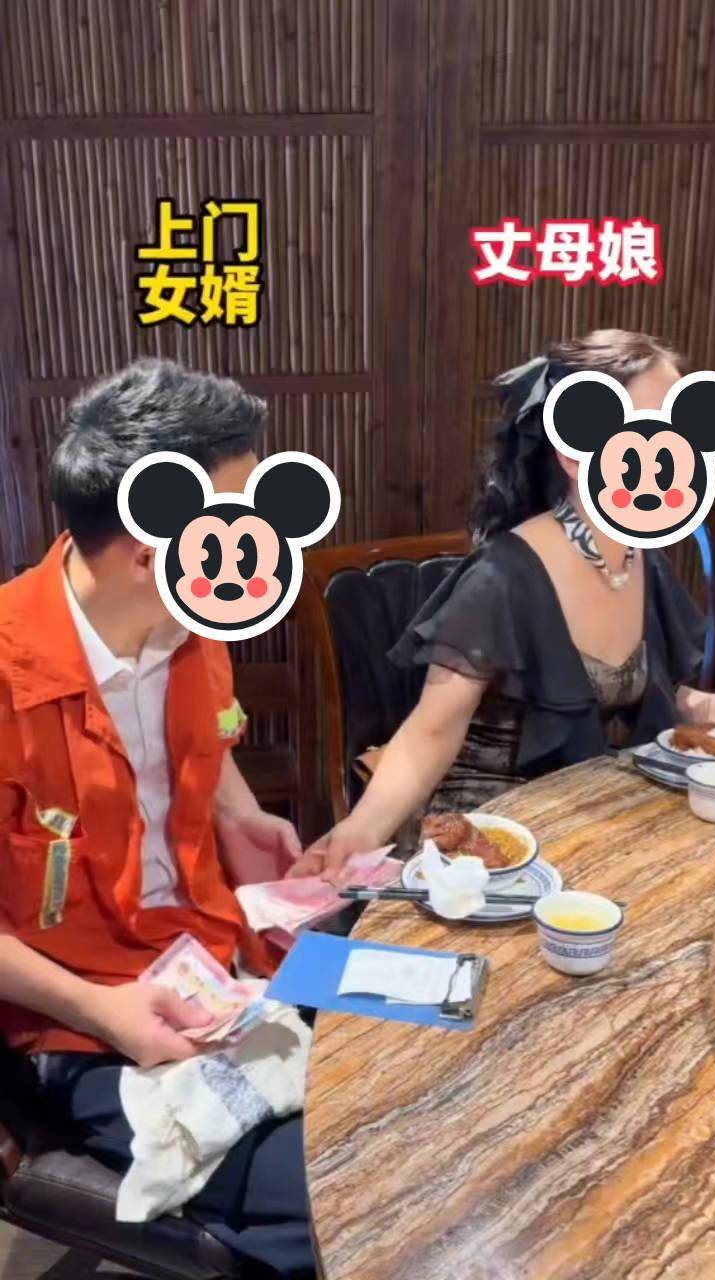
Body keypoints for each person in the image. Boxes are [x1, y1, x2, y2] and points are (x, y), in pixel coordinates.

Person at [0, 359, 314, 1278]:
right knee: (345, 1191)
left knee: (423, 1082)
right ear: (149, 547)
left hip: (219, 964)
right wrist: (107, 1010)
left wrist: (243, 817)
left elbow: (202, 748)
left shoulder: (194, 626)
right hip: (79, 1022)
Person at [295, 329, 711, 880]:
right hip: (491, 833)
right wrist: (360, 831)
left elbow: (672, 691)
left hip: (588, 808)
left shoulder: (641, 559)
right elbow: (429, 733)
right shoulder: (504, 575)